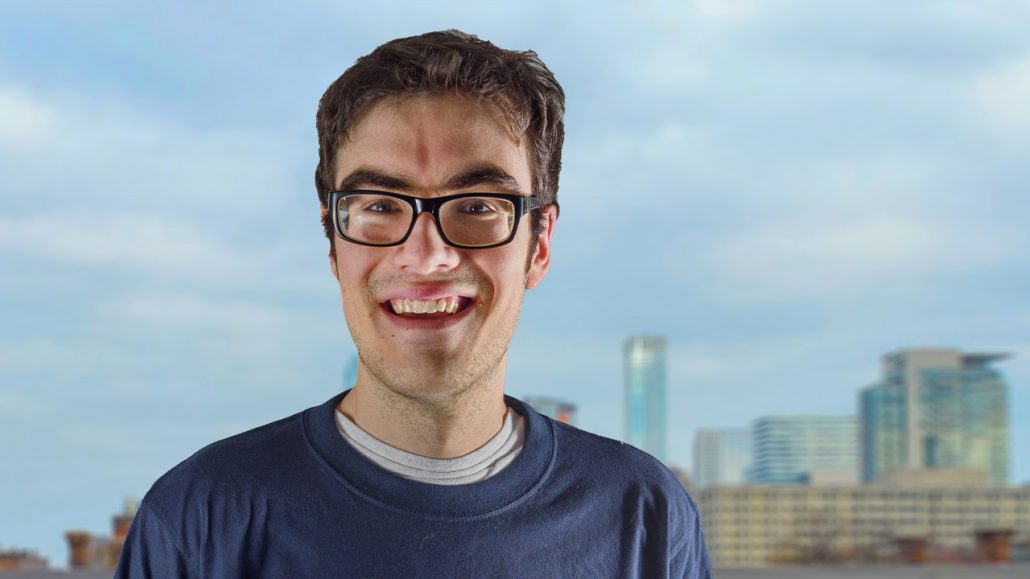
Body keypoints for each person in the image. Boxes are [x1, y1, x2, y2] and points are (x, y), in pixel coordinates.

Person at [115, 30, 711, 578]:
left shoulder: (645, 515)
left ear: (540, 245)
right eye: (379, 206)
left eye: (477, 206)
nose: (425, 259)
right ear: (333, 242)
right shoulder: (199, 518)